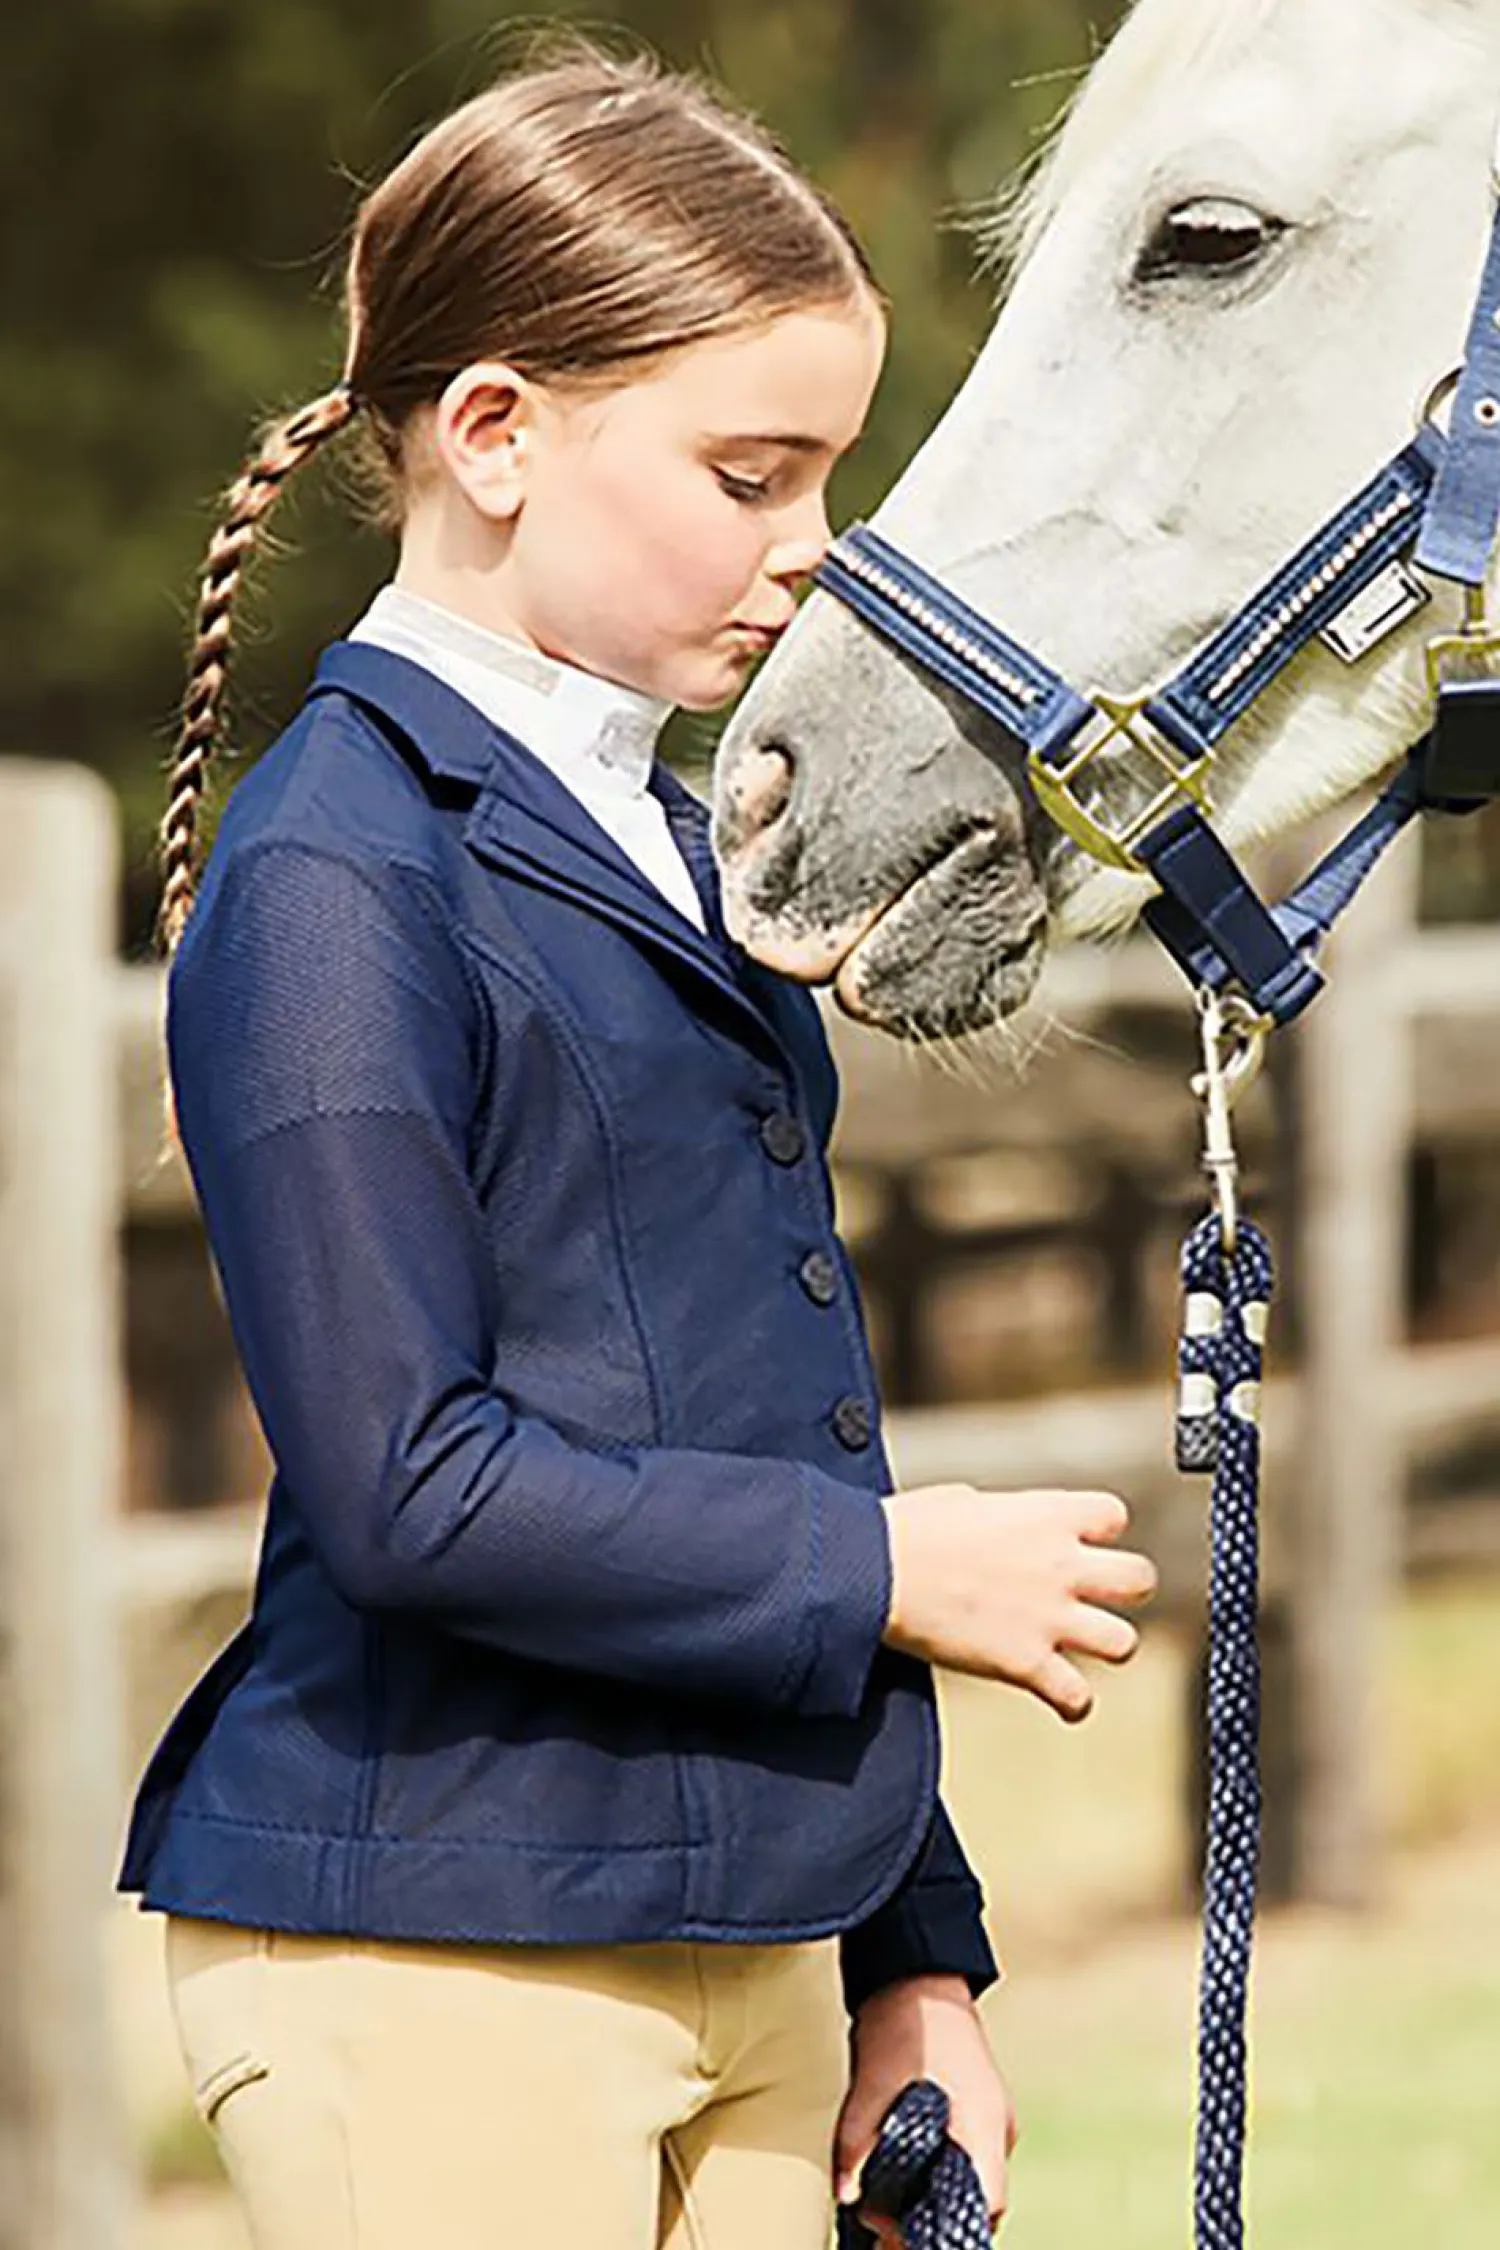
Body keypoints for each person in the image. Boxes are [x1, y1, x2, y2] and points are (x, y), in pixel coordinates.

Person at [120, 38, 1158, 2250]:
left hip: (760, 1944)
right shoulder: (337, 878)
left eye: (827, 479)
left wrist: (916, 1958)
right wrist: (890, 1573)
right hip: (435, 1958)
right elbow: (408, 1484)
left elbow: (771, 1422)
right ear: (497, 432)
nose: (813, 551)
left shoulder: (686, 847)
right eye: (749, 476)